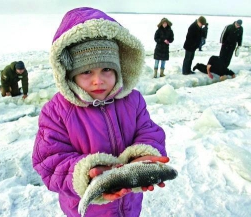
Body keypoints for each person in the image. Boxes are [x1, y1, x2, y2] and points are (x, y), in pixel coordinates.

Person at [32, 7, 168, 217]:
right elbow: (49, 161)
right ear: (69, 75)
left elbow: (149, 131)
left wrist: (145, 155)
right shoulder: (56, 112)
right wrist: (85, 173)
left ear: (118, 69)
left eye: (106, 69)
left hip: (128, 204)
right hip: (88, 211)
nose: (98, 80)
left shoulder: (133, 101)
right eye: (87, 72)